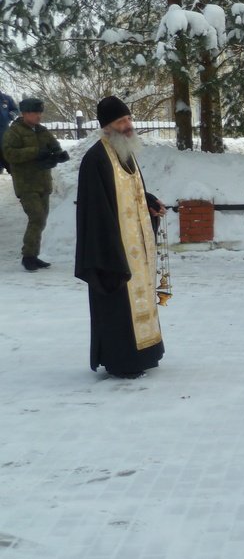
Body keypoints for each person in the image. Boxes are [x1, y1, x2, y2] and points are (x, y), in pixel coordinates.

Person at [75, 96, 167, 379]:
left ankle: (144, 355)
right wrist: (111, 251)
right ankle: (121, 361)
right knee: (118, 305)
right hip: (112, 251)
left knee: (138, 301)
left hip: (135, 246)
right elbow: (95, 211)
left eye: (128, 119)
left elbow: (131, 192)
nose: (127, 125)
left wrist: (149, 202)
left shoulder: (125, 150)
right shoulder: (95, 159)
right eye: (120, 121)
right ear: (107, 126)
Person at [2, 97, 69, 271]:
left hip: (43, 182)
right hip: (26, 184)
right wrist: (35, 152)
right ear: (25, 113)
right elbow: (9, 154)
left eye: (40, 112)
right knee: (37, 217)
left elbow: (53, 146)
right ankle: (28, 257)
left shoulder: (42, 131)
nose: (39, 116)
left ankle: (33, 255)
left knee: (41, 219)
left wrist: (59, 155)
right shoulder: (14, 132)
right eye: (35, 113)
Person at [0, 92, 18, 173]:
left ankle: (10, 167)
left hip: (3, 128)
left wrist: (9, 116)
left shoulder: (6, 98)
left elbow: (15, 110)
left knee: (5, 147)